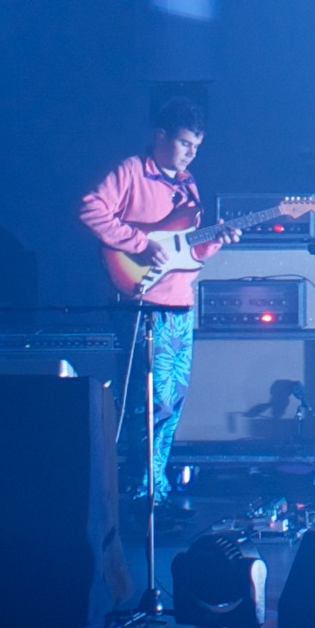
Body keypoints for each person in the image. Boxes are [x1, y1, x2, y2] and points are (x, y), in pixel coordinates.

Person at [79, 98, 238, 506]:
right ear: (160, 136)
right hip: (143, 305)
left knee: (173, 403)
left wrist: (215, 241)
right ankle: (139, 492)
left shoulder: (188, 184)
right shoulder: (131, 171)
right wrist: (140, 244)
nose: (191, 153)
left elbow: (188, 252)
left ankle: (156, 487)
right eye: (185, 143)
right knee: (147, 402)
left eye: (197, 146)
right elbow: (90, 209)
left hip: (180, 305)